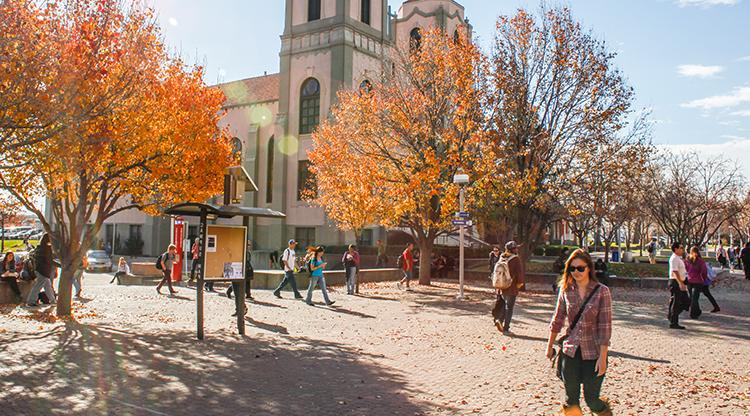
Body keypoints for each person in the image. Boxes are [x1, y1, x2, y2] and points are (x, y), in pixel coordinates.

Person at [546, 249, 613, 416]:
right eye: (572, 268)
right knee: (571, 400)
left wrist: (603, 357)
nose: (576, 272)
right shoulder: (565, 289)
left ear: (589, 268)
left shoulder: (602, 291)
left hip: (594, 352)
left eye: (580, 268)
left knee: (592, 400)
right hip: (570, 351)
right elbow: (557, 319)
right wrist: (549, 346)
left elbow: (605, 326)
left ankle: (605, 411)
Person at [491, 241, 525, 334]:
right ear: (513, 249)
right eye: (516, 248)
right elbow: (519, 273)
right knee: (509, 308)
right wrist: (520, 284)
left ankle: (500, 321)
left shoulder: (502, 257)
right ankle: (506, 328)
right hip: (511, 286)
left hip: (501, 286)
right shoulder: (515, 259)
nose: (517, 249)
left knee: (504, 305)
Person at [25, 233, 57, 306]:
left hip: (39, 270)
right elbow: (50, 260)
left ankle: (53, 301)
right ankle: (30, 301)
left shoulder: (39, 248)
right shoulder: (47, 249)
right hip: (43, 271)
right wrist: (61, 265)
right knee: (38, 286)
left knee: (47, 286)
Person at [667, 242, 689, 329]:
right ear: (676, 249)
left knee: (685, 301)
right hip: (675, 282)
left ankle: (672, 315)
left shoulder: (678, 258)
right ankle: (673, 322)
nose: (682, 249)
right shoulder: (674, 259)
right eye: (681, 248)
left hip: (680, 281)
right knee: (677, 302)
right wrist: (680, 283)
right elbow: (675, 271)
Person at [685, 246, 708, 319]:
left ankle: (696, 311)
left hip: (690, 280)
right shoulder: (700, 261)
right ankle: (694, 313)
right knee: (695, 298)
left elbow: (685, 269)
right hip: (697, 281)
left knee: (692, 297)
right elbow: (704, 271)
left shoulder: (687, 260)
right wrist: (703, 279)